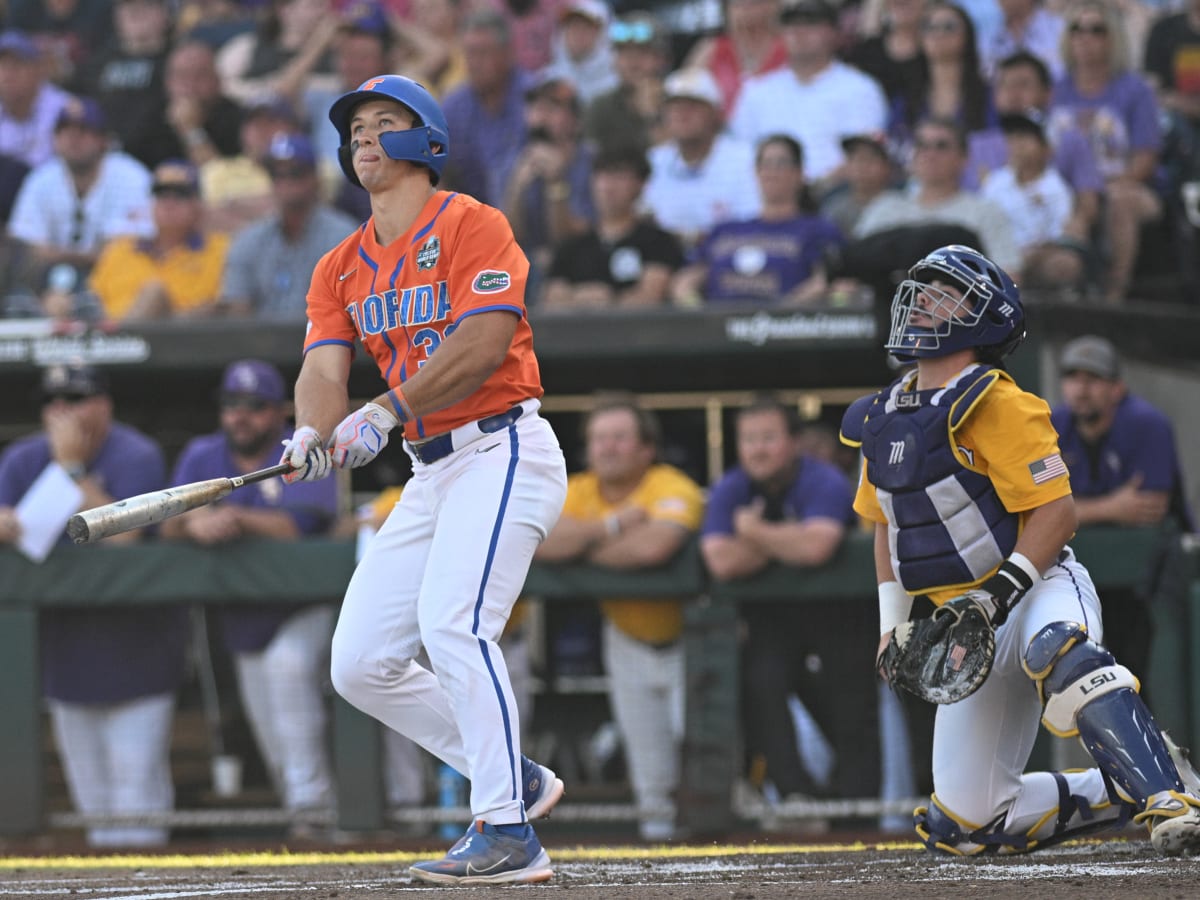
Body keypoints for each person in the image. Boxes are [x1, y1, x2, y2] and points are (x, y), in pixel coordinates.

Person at [280, 74, 568, 884]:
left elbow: (482, 342)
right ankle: (515, 773)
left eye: (383, 122)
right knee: (359, 661)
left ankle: (509, 830)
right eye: (355, 128)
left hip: (503, 448)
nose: (363, 137)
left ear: (425, 139)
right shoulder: (340, 262)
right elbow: (321, 365)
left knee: (454, 625)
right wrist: (312, 428)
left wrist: (385, 409)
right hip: (429, 471)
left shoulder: (473, 222)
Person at [838, 243, 1200, 856]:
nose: (925, 302)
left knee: (1057, 651)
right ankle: (1159, 771)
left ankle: (1170, 798)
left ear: (983, 319)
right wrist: (892, 626)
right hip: (963, 626)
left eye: (945, 294)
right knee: (968, 825)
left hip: (1035, 587)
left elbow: (1057, 511)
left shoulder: (1001, 400)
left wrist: (1000, 591)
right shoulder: (883, 414)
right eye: (922, 291)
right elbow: (886, 527)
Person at [0, 363, 187, 847]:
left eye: (76, 399)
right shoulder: (22, 458)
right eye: (53, 401)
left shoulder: (135, 453)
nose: (61, 411)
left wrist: (72, 470)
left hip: (136, 652)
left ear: (104, 403)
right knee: (94, 804)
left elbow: (127, 539)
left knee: (137, 796)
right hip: (66, 654)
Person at [162, 359, 341, 828]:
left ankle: (316, 814)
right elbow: (167, 522)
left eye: (254, 406)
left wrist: (236, 518)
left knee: (289, 677)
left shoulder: (301, 450)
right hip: (243, 619)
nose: (240, 415)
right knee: (272, 733)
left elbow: (300, 526)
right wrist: (192, 521)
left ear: (279, 411)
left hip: (304, 607)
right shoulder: (203, 455)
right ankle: (305, 820)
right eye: (231, 405)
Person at [534, 394, 706, 841]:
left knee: (704, 752)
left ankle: (725, 847)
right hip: (626, 637)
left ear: (647, 448)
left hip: (692, 638)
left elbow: (654, 547)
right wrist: (612, 526)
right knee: (649, 767)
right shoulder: (579, 489)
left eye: (620, 438)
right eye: (599, 439)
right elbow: (539, 540)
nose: (607, 447)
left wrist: (585, 549)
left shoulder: (669, 484)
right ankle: (662, 856)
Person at [700, 394, 876, 818]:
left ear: (793, 442)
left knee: (853, 714)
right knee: (762, 685)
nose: (758, 449)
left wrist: (753, 531)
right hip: (773, 620)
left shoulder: (824, 479)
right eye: (749, 439)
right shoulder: (733, 486)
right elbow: (721, 561)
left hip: (842, 617)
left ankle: (861, 816)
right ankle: (797, 799)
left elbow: (817, 547)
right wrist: (783, 538)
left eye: (769, 438)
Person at [1049, 335, 1194, 692]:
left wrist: (1075, 509)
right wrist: (1113, 506)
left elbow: (1149, 507)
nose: (1081, 390)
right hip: (1083, 578)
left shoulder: (1147, 423)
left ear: (1117, 387)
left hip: (1157, 578)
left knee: (1149, 677)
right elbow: (1040, 508)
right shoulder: (1053, 423)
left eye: (1093, 379)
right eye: (1073, 378)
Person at [1049, 0, 1163, 304]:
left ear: (1113, 37)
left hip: (1129, 186)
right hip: (1067, 188)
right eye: (1077, 29)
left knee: (1118, 201)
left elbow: (1146, 157)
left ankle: (1114, 297)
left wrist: (1100, 188)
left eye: (1096, 29)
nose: (1085, 37)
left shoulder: (1135, 90)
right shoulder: (1055, 89)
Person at [669, 133, 844, 307]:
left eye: (781, 163)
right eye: (765, 164)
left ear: (800, 173)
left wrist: (782, 313)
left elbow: (830, 281)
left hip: (787, 326)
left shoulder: (818, 230)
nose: (772, 172)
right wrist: (698, 314)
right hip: (717, 326)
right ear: (756, 171)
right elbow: (687, 279)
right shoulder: (725, 230)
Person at [730, 0, 887, 188]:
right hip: (767, 199)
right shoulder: (756, 91)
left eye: (811, 23)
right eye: (791, 25)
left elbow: (863, 156)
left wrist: (814, 189)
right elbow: (739, 153)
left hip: (835, 198)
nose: (799, 32)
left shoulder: (860, 88)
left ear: (833, 33)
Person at [7, 97, 154, 280]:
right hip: (48, 278)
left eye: (83, 131)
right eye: (65, 130)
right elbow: (27, 244)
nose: (73, 139)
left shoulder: (131, 176)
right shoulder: (42, 177)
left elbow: (126, 248)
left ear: (104, 140)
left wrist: (60, 255)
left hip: (113, 278)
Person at [218, 132, 359, 318]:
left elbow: (352, 312)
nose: (285, 182)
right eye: (277, 174)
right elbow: (237, 311)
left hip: (326, 342)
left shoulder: (343, 235)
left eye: (295, 173)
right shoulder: (249, 239)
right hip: (260, 344)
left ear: (315, 177)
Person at [86, 159, 231, 321]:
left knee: (154, 293)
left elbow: (223, 307)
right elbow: (92, 302)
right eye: (161, 195)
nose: (169, 204)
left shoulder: (221, 250)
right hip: (107, 339)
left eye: (180, 196)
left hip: (180, 339)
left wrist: (163, 317)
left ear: (199, 204)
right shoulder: (120, 249)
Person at [541, 146, 684, 309]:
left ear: (641, 184)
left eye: (619, 176)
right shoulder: (572, 246)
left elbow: (650, 297)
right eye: (602, 176)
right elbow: (550, 301)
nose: (608, 186)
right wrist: (586, 298)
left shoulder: (659, 242)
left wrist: (608, 300)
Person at [642, 67, 760, 250]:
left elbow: (752, 225)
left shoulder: (745, 159)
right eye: (675, 107)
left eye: (693, 107)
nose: (682, 114)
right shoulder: (654, 160)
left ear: (715, 113)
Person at [0, 30, 76, 168]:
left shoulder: (65, 109)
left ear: (37, 70)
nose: (8, 74)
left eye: (17, 65)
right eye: (3, 66)